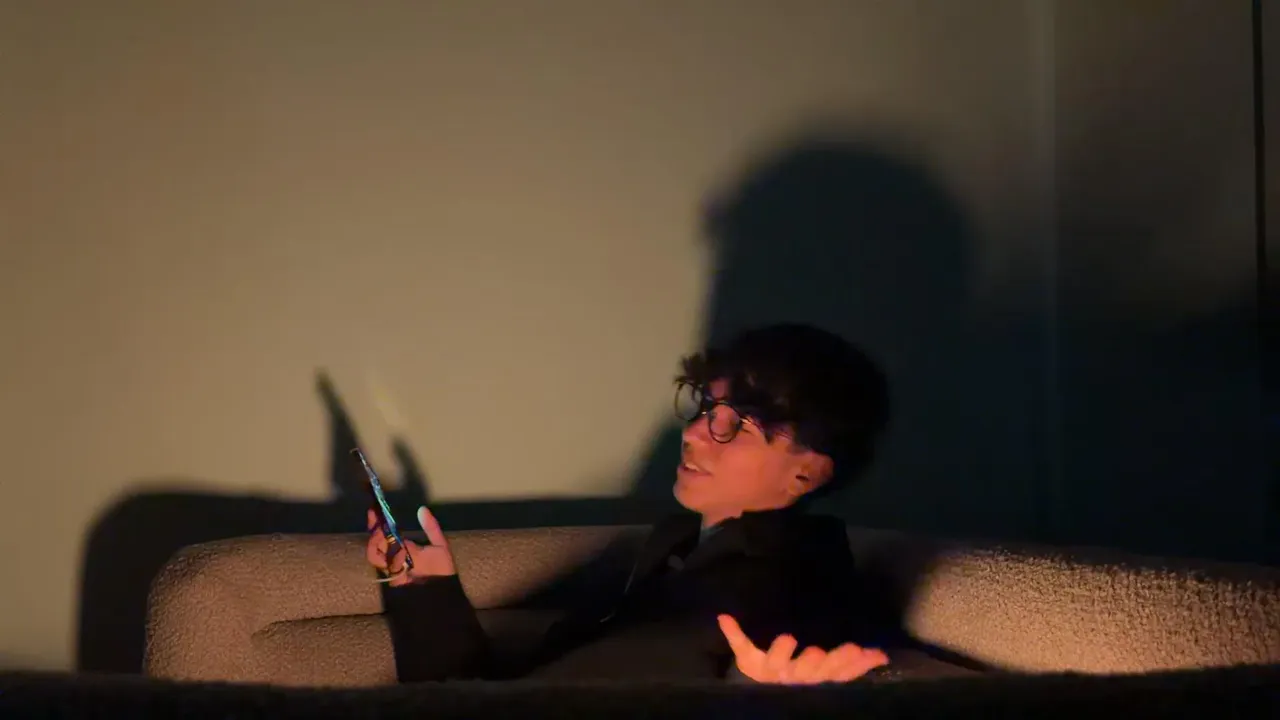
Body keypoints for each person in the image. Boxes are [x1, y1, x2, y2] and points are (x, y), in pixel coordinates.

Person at [367, 323, 899, 684]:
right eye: (706, 408)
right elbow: (513, 693)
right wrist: (427, 590)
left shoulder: (792, 588)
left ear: (808, 471)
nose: (693, 433)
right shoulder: (674, 548)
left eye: (735, 424)